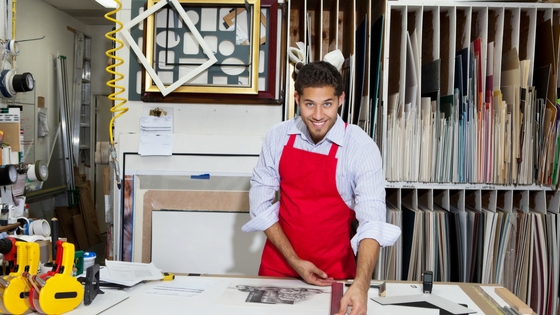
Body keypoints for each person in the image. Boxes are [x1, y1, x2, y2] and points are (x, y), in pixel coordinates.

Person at [242, 61, 401, 315]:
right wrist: (295, 262)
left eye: (327, 103)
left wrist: (361, 285)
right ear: (297, 99)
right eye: (309, 104)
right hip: (279, 268)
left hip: (334, 275)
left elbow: (372, 222)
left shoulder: (360, 147)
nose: (317, 115)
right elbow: (260, 206)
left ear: (340, 99)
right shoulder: (277, 137)